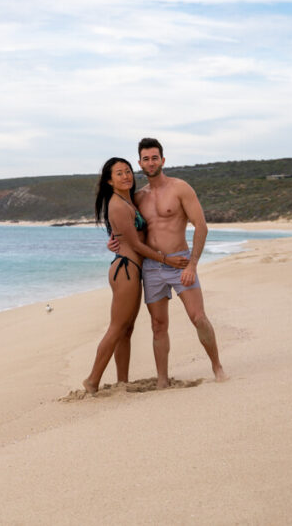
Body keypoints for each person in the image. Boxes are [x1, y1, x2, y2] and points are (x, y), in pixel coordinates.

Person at [109, 137, 227, 386]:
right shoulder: (138, 197)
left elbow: (201, 227)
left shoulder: (180, 188)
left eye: (154, 157)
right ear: (140, 163)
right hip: (152, 267)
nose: (150, 162)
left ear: (162, 160)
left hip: (181, 262)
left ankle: (217, 367)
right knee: (158, 325)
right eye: (145, 158)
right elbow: (129, 230)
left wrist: (193, 264)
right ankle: (162, 380)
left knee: (198, 317)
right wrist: (114, 242)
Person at [83, 157, 189, 394]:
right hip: (127, 269)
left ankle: (122, 381)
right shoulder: (118, 204)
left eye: (128, 171)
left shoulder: (127, 201)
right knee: (117, 327)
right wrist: (167, 259)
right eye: (119, 173)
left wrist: (115, 242)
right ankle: (92, 380)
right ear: (110, 181)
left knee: (126, 329)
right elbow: (136, 245)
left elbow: (124, 237)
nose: (126, 176)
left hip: (129, 267)